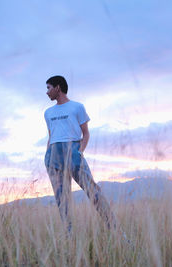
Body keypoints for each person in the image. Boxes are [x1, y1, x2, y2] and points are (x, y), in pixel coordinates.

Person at [43, 75, 129, 243]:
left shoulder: (77, 107)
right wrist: (47, 155)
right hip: (53, 156)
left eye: (48, 88)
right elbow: (51, 135)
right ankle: (70, 239)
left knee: (94, 192)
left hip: (73, 152)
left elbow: (86, 133)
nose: (47, 92)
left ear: (58, 87)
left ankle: (119, 235)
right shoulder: (48, 112)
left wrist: (79, 152)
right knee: (62, 199)